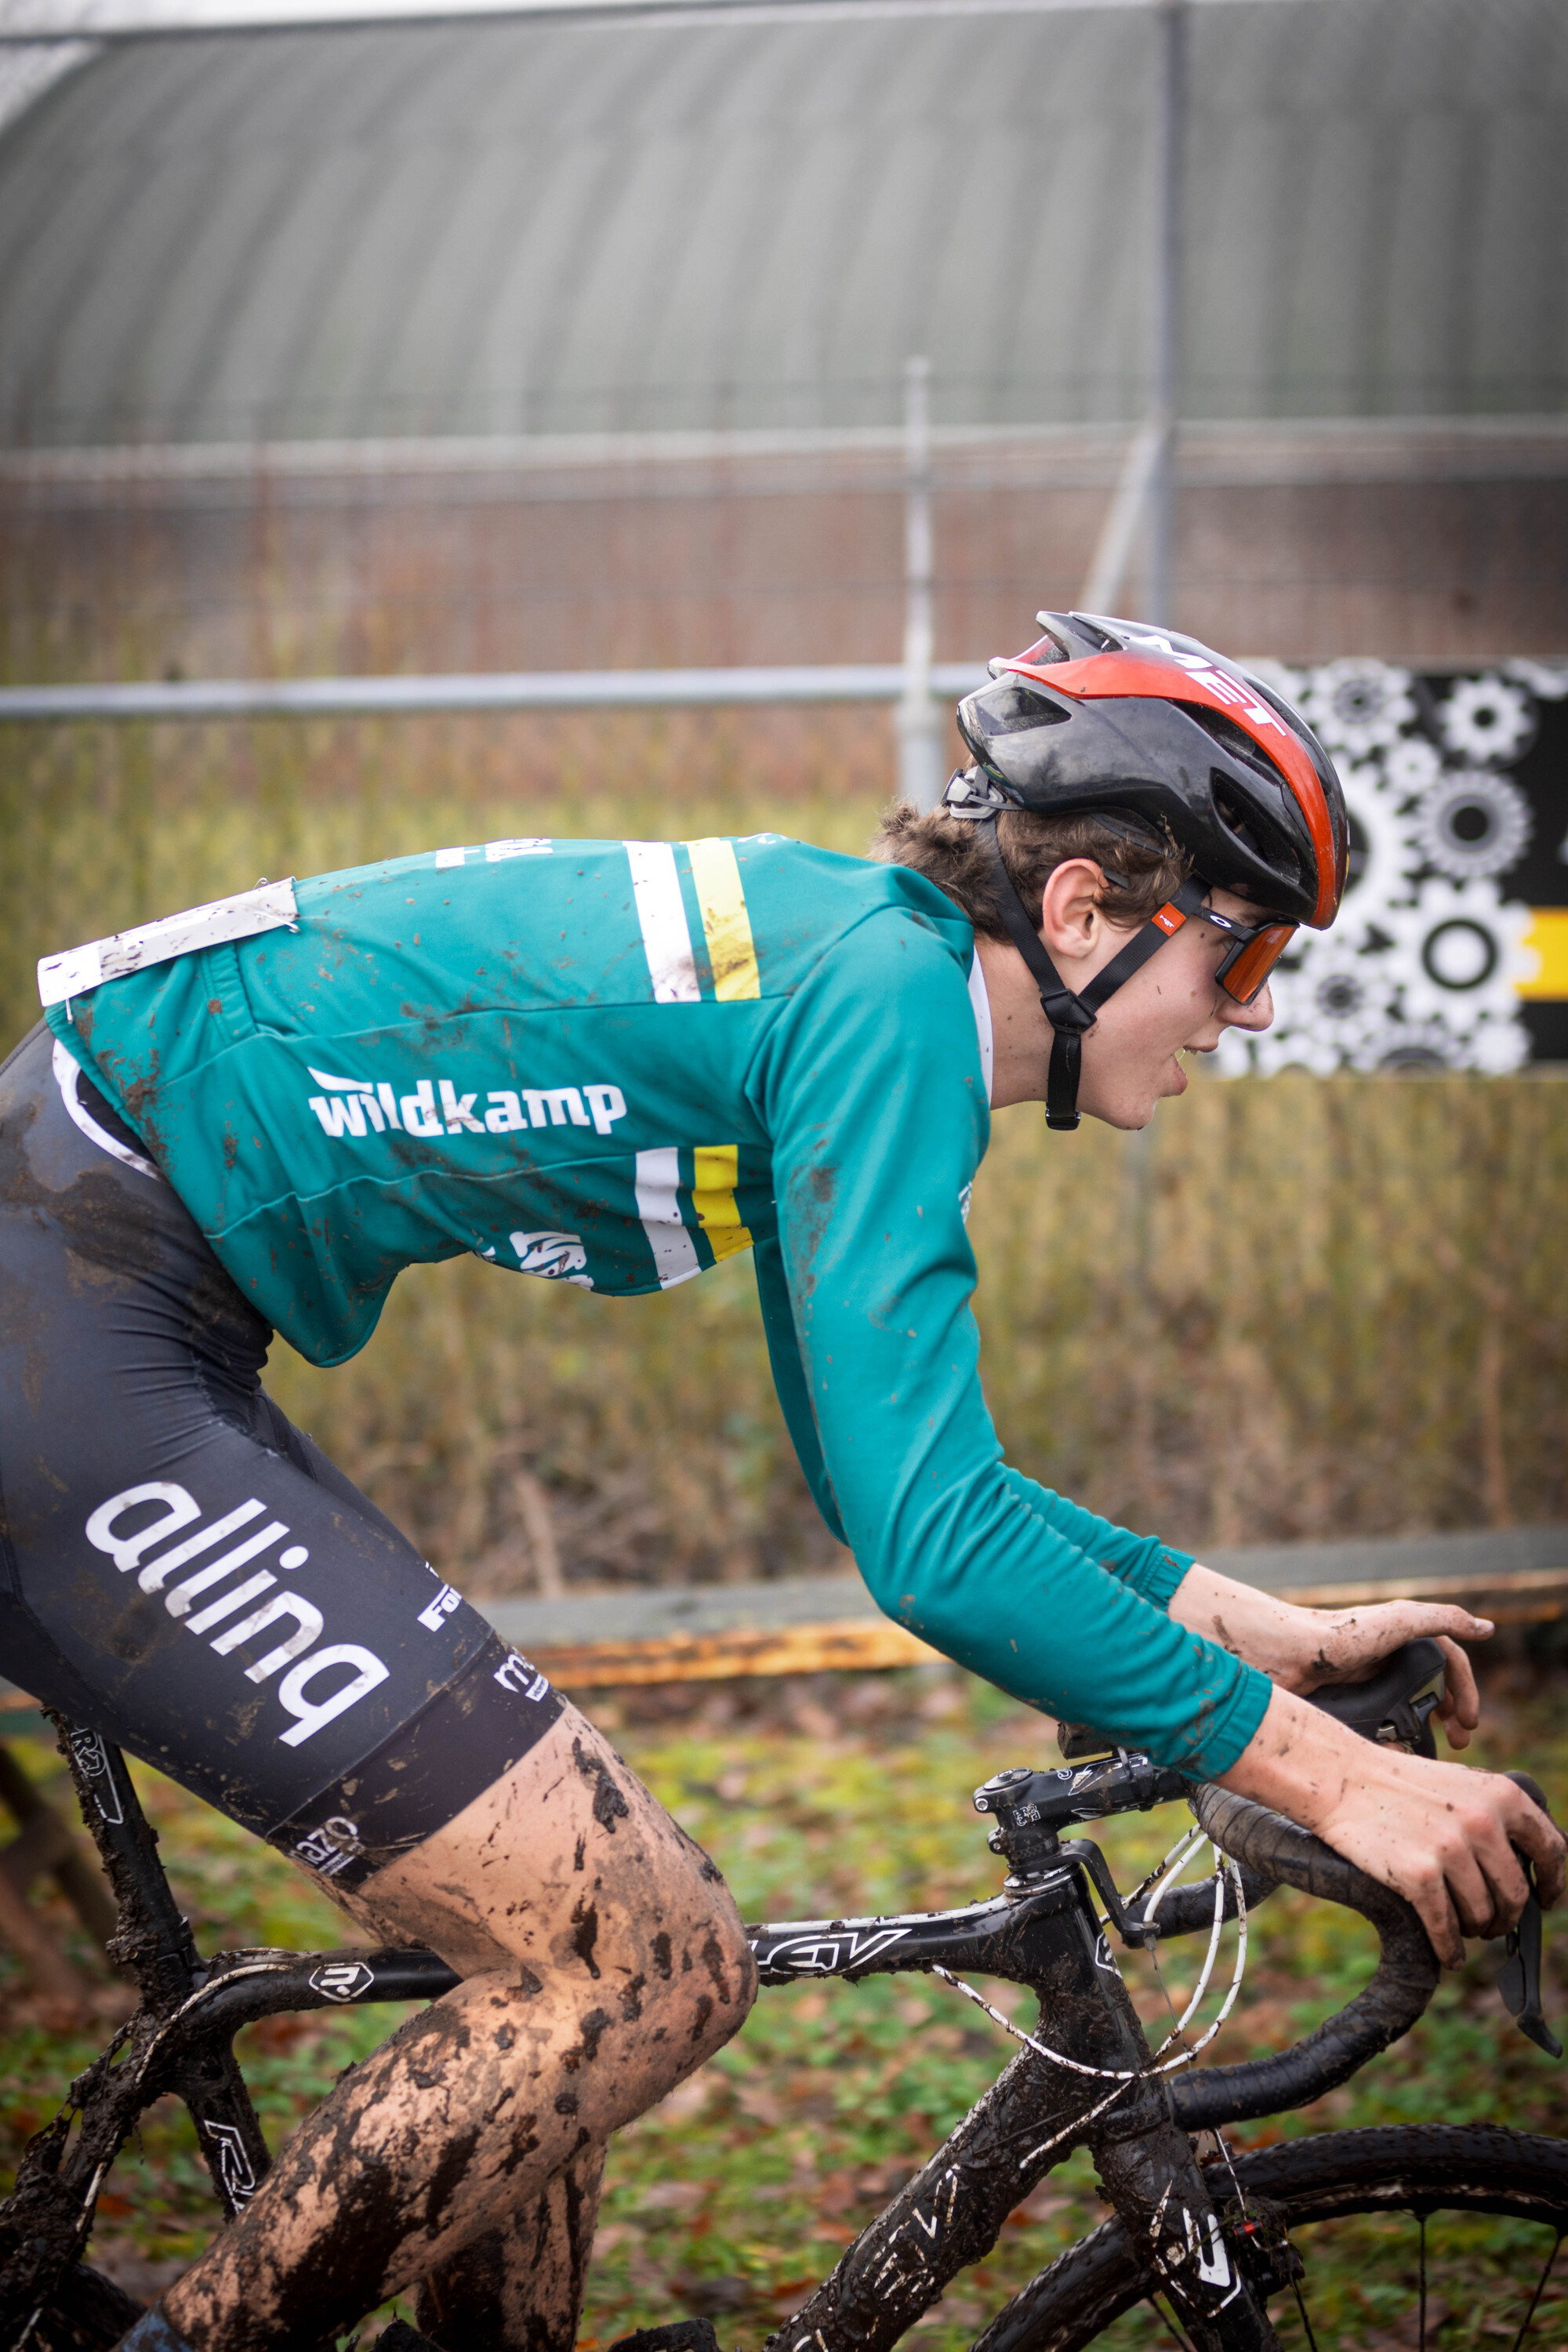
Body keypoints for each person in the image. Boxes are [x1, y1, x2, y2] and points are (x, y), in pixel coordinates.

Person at [2, 611, 1559, 2352]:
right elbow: (930, 1547)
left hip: (106, 1308)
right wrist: (1330, 1779)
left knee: (555, 1983)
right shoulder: (883, 1011)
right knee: (631, 1957)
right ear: (1082, 914)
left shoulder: (864, 976)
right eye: (1242, 959)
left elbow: (889, 1480)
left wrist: (1238, 1622)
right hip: (68, 1320)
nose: (1245, 1020)